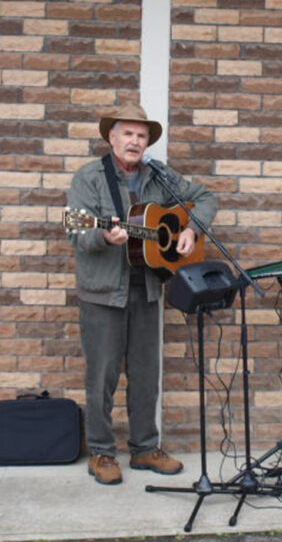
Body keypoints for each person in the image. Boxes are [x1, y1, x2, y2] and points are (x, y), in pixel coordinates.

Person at [66, 102, 217, 485]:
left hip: (148, 287)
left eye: (141, 135)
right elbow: (77, 232)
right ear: (112, 138)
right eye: (128, 134)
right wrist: (104, 236)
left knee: (146, 375)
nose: (134, 141)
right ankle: (101, 452)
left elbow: (205, 197)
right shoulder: (89, 178)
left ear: (147, 142)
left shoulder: (159, 176)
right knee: (102, 377)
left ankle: (145, 448)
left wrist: (190, 230)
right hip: (103, 293)